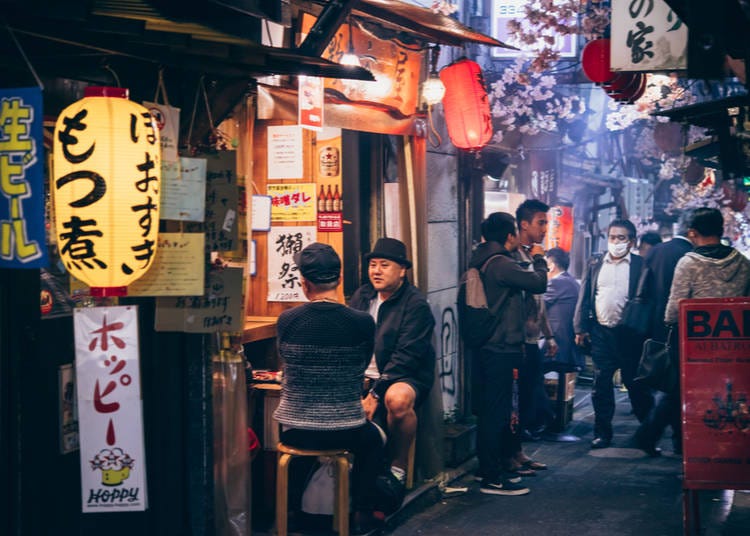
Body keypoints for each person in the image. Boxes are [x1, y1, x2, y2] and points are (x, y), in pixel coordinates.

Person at [273, 242, 387, 531]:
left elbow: (287, 361)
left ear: (304, 284)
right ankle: (361, 511)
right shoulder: (362, 322)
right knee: (375, 441)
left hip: (297, 429)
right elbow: (360, 366)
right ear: (339, 280)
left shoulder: (287, 320)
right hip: (346, 426)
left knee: (295, 449)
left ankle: (289, 514)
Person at [470, 212, 549, 495]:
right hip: (501, 347)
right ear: (509, 236)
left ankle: (489, 469)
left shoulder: (481, 260)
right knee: (496, 412)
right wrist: (539, 258)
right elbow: (539, 283)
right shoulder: (501, 264)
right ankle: (491, 477)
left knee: (493, 410)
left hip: (488, 345)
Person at [349, 237, 436, 489]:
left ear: (402, 270)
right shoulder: (363, 296)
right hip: (363, 375)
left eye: (384, 265)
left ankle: (398, 466)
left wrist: (375, 393)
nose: (376, 271)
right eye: (372, 264)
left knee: (396, 400)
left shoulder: (415, 304)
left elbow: (406, 356)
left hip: (404, 375)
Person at [574, 218, 654, 449]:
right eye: (612, 237)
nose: (616, 242)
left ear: (632, 241)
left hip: (630, 336)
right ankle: (602, 434)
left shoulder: (641, 265)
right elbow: (585, 295)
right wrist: (580, 328)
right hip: (601, 333)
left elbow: (649, 300)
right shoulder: (595, 263)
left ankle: (647, 435)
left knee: (637, 386)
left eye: (622, 238)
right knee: (601, 386)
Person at [631, 213, 693, 456]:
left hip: (658, 327)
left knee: (671, 386)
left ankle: (667, 438)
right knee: (677, 388)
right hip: (684, 329)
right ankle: (654, 435)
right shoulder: (691, 256)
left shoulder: (656, 251)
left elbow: (642, 289)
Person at [513, 200, 556, 459]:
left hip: (533, 339)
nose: (544, 228)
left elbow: (540, 304)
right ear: (524, 224)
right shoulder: (516, 258)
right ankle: (515, 452)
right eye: (541, 222)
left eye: (546, 223)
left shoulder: (530, 255)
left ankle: (520, 452)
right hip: (517, 341)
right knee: (519, 398)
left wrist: (549, 335)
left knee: (530, 394)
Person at [543, 247, 583, 372]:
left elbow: (537, 305)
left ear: (551, 266)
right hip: (568, 347)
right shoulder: (572, 282)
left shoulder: (557, 283)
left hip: (557, 345)